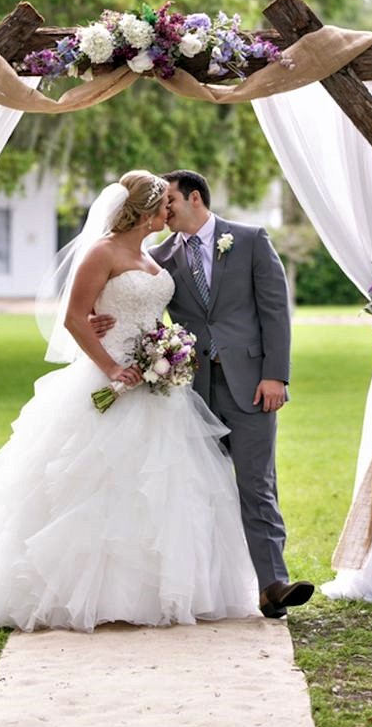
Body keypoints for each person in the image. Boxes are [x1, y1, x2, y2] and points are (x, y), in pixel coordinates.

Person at [0, 171, 259, 632]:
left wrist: (163, 351)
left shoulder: (153, 256)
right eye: (164, 205)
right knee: (95, 485)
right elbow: (75, 317)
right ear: (146, 211)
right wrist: (112, 367)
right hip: (109, 378)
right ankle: (83, 594)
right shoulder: (102, 252)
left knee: (163, 486)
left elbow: (144, 312)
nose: (169, 212)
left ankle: (157, 591)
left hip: (156, 386)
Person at [93, 170, 313, 619]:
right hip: (188, 393)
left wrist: (276, 375)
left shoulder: (250, 240)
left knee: (257, 484)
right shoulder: (159, 257)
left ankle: (273, 584)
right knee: (198, 489)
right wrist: (99, 318)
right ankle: (206, 587)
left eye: (170, 200)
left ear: (195, 198)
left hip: (252, 386)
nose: (164, 209)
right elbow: (127, 297)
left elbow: (275, 311)